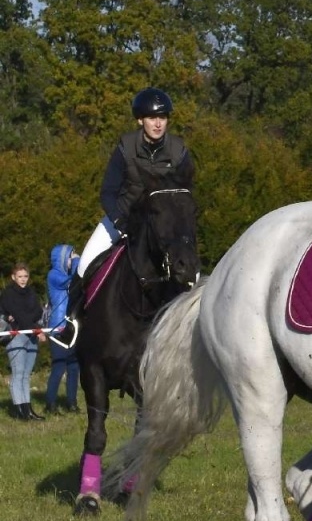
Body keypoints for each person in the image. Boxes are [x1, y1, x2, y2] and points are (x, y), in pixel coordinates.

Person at [69, 88, 195, 323]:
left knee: (192, 274)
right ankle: (72, 321)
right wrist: (120, 222)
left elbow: (187, 193)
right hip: (124, 218)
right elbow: (108, 192)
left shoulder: (179, 152)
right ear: (140, 120)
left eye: (163, 117)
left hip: (164, 226)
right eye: (152, 118)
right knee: (85, 263)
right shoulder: (125, 148)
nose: (158, 123)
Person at [2, 262, 45, 421]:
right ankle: (19, 409)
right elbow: (18, 313)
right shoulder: (8, 293)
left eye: (25, 276)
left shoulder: (31, 292)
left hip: (31, 335)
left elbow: (38, 311)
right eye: (19, 276)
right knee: (18, 373)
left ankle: (28, 409)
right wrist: (34, 326)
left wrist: (32, 325)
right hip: (16, 336)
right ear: (13, 277)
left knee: (26, 375)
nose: (23, 279)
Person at [45, 244, 80, 413]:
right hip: (58, 327)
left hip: (71, 327)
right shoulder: (54, 275)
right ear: (62, 258)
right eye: (70, 256)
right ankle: (50, 404)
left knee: (74, 367)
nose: (72, 259)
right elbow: (71, 281)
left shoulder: (63, 274)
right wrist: (77, 261)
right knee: (59, 367)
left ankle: (71, 403)